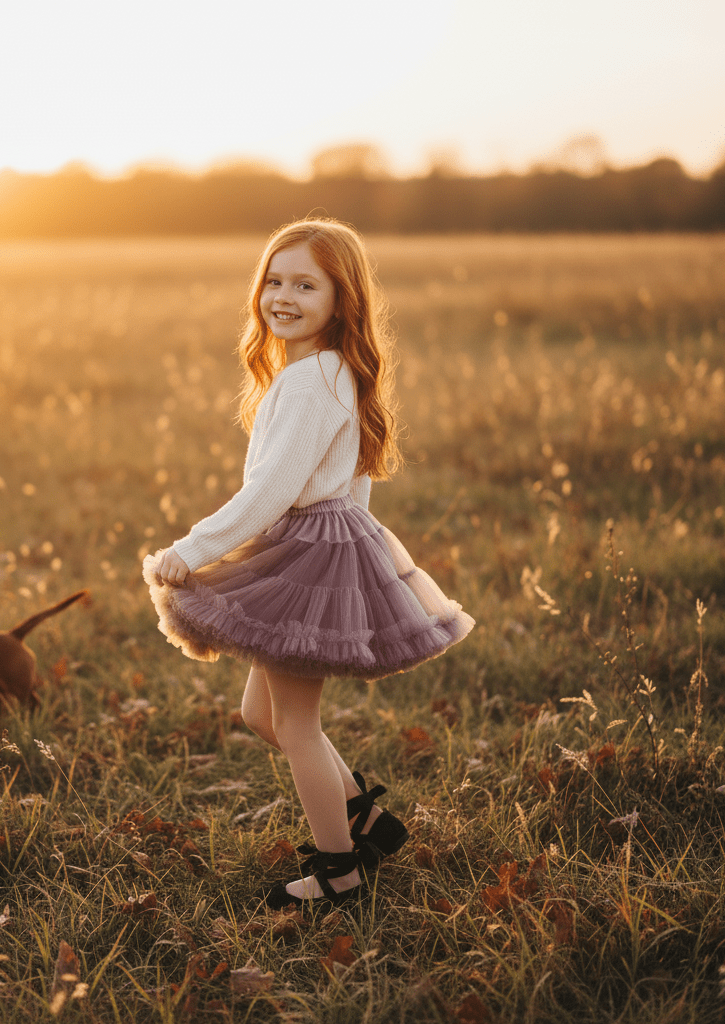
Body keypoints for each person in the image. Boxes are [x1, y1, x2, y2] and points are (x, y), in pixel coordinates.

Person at [142, 218, 474, 910]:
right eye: (274, 279)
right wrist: (355, 534)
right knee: (262, 714)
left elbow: (270, 493)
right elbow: (352, 478)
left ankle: (338, 872)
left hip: (312, 552)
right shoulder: (328, 371)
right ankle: (368, 822)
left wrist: (189, 552)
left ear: (340, 298)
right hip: (322, 540)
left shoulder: (307, 383)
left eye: (305, 284)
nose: (283, 296)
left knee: (295, 725)